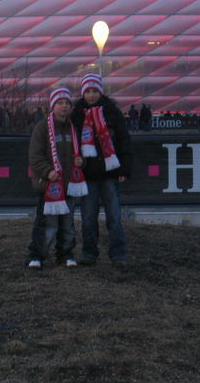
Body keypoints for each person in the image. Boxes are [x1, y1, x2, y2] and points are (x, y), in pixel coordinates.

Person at [71, 74, 133, 270]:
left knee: (114, 216)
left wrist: (124, 168)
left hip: (109, 173)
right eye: (87, 91)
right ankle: (89, 253)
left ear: (100, 91)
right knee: (88, 216)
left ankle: (118, 254)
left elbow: (123, 141)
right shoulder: (76, 115)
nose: (91, 95)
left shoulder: (112, 112)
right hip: (88, 174)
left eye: (94, 91)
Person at [27, 88, 86, 270]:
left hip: (69, 185)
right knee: (47, 223)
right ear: (53, 106)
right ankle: (38, 255)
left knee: (67, 223)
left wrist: (80, 161)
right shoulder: (42, 127)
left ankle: (65, 254)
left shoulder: (73, 128)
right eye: (60, 103)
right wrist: (47, 172)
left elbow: (79, 152)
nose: (64, 106)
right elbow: (35, 156)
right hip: (49, 186)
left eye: (67, 103)